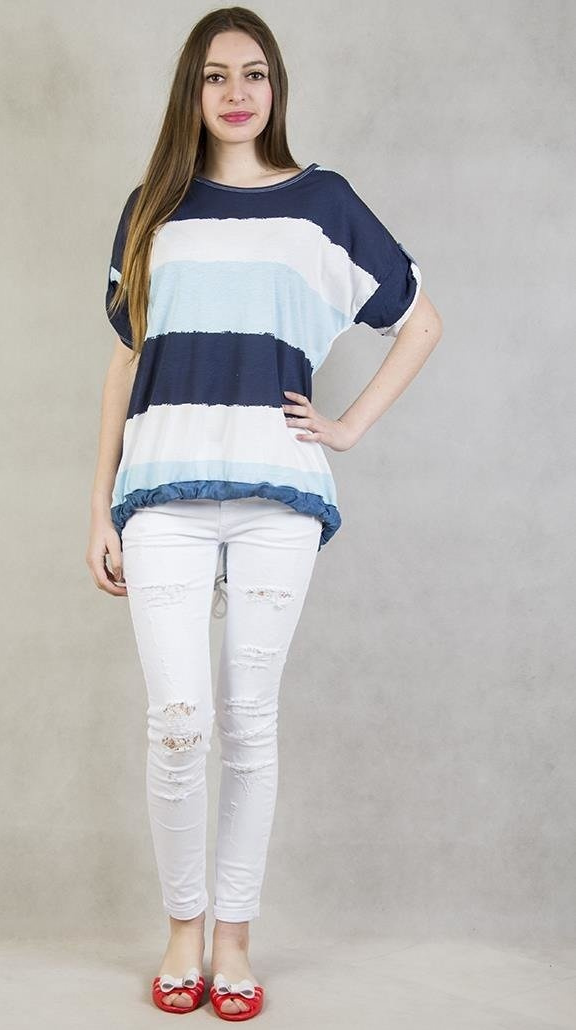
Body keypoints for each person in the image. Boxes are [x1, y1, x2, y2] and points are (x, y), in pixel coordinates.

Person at [87, 6, 443, 1020]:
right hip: (160, 497)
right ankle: (182, 931)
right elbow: (125, 361)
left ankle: (235, 940)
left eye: (254, 72)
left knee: (248, 722)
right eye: (214, 75)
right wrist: (99, 505)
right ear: (190, 92)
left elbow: (420, 319)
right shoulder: (150, 208)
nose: (236, 91)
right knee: (177, 724)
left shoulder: (322, 202)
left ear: (276, 86)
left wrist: (348, 427)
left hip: (276, 498)